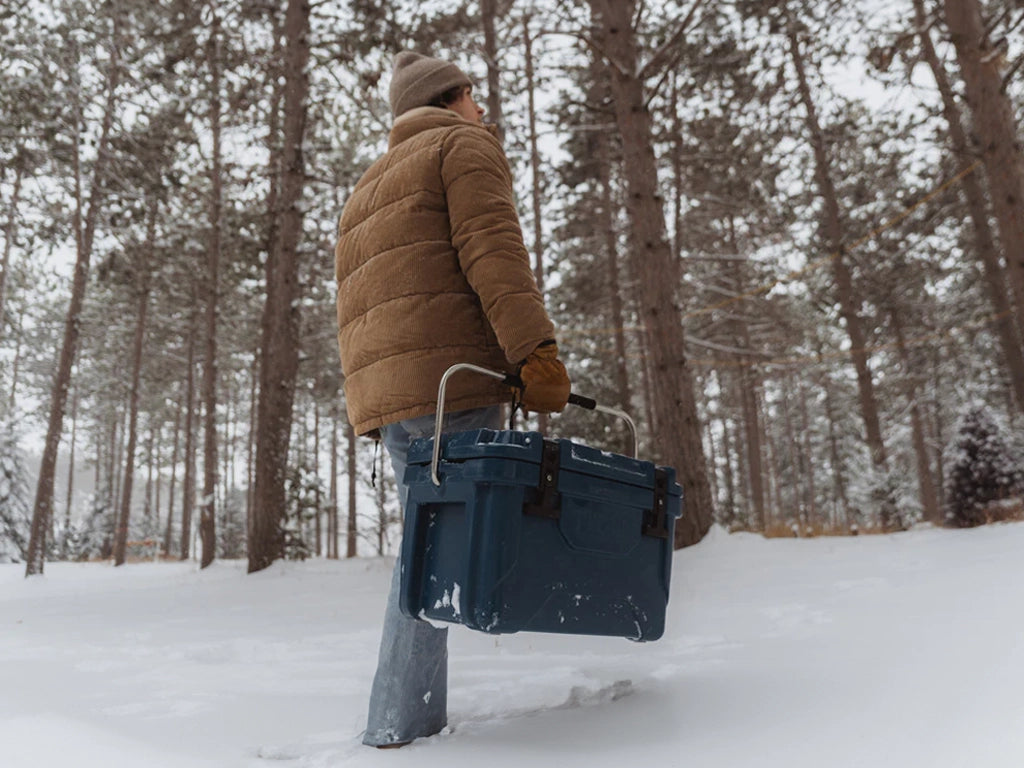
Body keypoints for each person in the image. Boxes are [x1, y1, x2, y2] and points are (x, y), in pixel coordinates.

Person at [334, 51, 571, 748]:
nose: (482, 108)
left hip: (399, 400)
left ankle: (407, 718)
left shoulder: (367, 188)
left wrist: (374, 401)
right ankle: (399, 726)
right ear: (450, 96)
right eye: (474, 93)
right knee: (431, 555)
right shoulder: (462, 146)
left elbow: (360, 306)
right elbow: (493, 254)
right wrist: (536, 353)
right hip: (455, 383)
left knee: (428, 546)